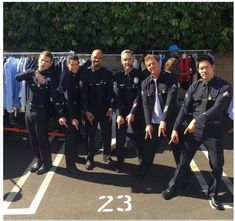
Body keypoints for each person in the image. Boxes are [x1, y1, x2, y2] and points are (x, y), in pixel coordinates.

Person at [162, 54, 232, 211]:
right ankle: (173, 187)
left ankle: (213, 194)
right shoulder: (194, 86)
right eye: (201, 68)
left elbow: (217, 109)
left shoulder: (225, 87)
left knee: (216, 164)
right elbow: (184, 109)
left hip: (213, 131)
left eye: (206, 67)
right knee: (183, 160)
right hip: (194, 131)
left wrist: (196, 121)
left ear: (213, 67)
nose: (204, 71)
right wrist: (174, 129)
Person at [15, 51, 64, 175]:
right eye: (42, 60)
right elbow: (17, 77)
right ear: (38, 60)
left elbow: (55, 98)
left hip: (41, 112)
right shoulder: (31, 73)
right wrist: (34, 72)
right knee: (33, 139)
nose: (44, 63)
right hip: (29, 110)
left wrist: (61, 115)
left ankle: (47, 163)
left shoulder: (50, 78)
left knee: (42, 139)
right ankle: (40, 160)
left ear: (51, 63)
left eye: (47, 61)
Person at [136, 54, 178, 178]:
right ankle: (143, 171)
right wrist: (148, 124)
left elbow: (171, 101)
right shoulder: (145, 83)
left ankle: (184, 177)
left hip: (170, 121)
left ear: (159, 63)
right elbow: (145, 105)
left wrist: (164, 120)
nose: (151, 66)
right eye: (148, 65)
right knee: (148, 150)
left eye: (153, 63)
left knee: (177, 150)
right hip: (154, 123)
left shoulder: (170, 78)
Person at [113, 49, 146, 172]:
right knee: (120, 139)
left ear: (133, 60)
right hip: (122, 112)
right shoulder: (117, 77)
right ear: (122, 61)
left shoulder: (140, 75)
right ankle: (120, 163)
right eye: (125, 60)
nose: (127, 62)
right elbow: (117, 97)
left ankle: (142, 163)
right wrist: (119, 114)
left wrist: (133, 112)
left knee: (139, 138)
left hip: (137, 112)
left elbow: (140, 95)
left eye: (129, 59)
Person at [81, 49, 114, 170]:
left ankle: (107, 155)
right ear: (91, 58)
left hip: (105, 111)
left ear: (102, 60)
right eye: (95, 57)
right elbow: (83, 95)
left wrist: (111, 107)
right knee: (90, 135)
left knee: (107, 134)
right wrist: (86, 111)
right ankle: (90, 158)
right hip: (90, 112)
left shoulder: (107, 73)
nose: (97, 60)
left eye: (100, 58)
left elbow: (111, 93)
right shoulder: (84, 73)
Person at [58, 55, 84, 175]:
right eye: (71, 64)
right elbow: (67, 99)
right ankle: (70, 166)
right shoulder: (66, 76)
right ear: (67, 65)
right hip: (69, 113)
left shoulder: (76, 74)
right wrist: (72, 118)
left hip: (76, 110)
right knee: (70, 139)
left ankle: (75, 157)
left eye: (76, 64)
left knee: (76, 136)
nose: (74, 67)